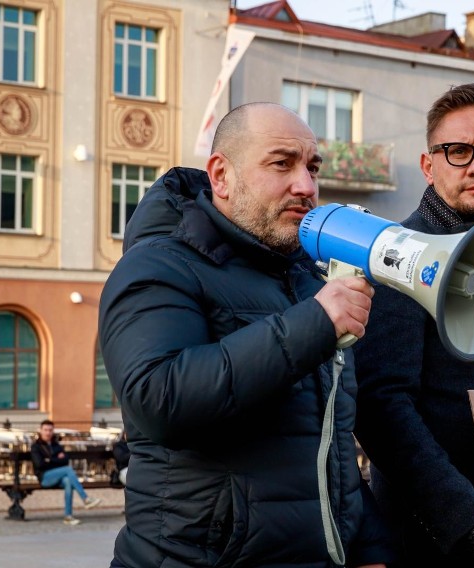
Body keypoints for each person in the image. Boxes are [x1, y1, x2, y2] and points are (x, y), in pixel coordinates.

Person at [99, 102, 392, 567]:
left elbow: (324, 445)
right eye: (282, 163)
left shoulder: (307, 281)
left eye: (312, 168)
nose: (306, 186)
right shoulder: (159, 265)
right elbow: (159, 399)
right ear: (221, 175)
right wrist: (315, 323)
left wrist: (370, 546)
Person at [353, 83, 474, 567]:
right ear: (429, 165)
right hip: (437, 543)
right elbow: (382, 412)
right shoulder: (399, 257)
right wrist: (464, 518)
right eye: (458, 151)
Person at [30, 419, 102, 526]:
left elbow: (65, 459)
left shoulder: (55, 444)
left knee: (68, 480)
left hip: (59, 477)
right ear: (40, 431)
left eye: (50, 430)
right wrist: (55, 459)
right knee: (68, 470)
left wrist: (49, 460)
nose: (48, 432)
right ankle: (86, 498)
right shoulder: (36, 446)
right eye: (45, 430)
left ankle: (68, 516)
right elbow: (39, 464)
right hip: (45, 477)